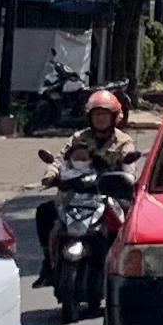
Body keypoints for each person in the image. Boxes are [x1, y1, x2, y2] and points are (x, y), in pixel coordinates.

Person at [35, 89, 142, 261]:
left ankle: (121, 261)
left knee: (129, 217)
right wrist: (51, 175)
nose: (100, 118)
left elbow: (129, 167)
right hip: (76, 193)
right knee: (45, 212)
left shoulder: (124, 142)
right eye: (97, 114)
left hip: (107, 194)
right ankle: (48, 261)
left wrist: (125, 179)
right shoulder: (78, 138)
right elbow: (60, 159)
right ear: (89, 116)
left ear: (114, 117)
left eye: (105, 114)